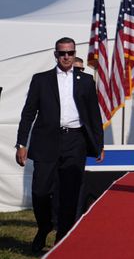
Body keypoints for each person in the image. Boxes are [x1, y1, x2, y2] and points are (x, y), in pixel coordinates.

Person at [16, 37, 104, 253]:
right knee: (40, 190)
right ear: (56, 55)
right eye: (62, 53)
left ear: (74, 54)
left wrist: (99, 143)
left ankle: (62, 238)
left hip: (75, 141)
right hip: (46, 140)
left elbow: (94, 115)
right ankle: (45, 225)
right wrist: (21, 143)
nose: (66, 57)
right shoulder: (41, 80)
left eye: (70, 53)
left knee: (70, 193)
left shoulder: (85, 81)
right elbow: (28, 113)